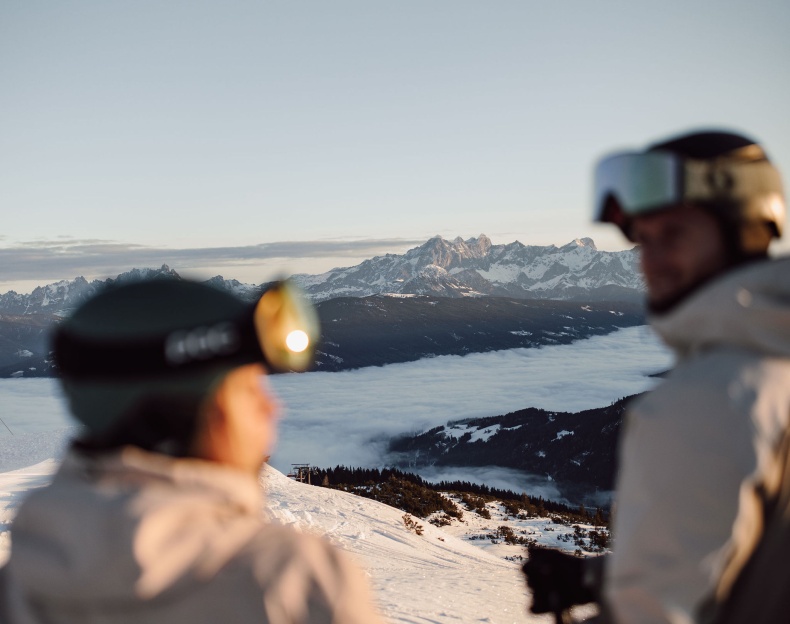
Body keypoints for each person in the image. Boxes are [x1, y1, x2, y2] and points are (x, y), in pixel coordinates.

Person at [0, 278, 385, 624]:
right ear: (192, 412)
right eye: (250, 389)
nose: (272, 407)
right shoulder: (292, 581)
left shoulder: (15, 587)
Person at [523, 129, 790, 624]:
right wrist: (596, 578)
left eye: (674, 235)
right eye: (644, 239)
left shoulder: (711, 398)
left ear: (741, 227)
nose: (651, 260)